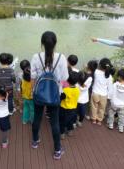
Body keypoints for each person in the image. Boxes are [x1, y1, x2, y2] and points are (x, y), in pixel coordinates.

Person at [31, 31, 68, 160]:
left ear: (42, 43)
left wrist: (32, 91)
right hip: (54, 94)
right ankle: (57, 150)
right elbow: (64, 78)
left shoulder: (36, 57)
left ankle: (35, 141)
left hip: (39, 93)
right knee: (55, 122)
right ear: (55, 43)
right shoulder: (61, 58)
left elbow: (33, 77)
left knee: (37, 118)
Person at [107, 69, 124, 133]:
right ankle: (121, 127)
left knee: (111, 114)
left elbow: (110, 94)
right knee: (122, 116)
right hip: (123, 105)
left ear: (119, 77)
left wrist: (109, 98)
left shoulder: (115, 85)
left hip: (114, 104)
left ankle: (110, 124)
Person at [91, 58, 115, 125]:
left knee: (94, 107)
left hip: (95, 92)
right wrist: (109, 97)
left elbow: (93, 64)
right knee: (102, 108)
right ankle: (99, 120)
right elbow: (110, 88)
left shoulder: (96, 72)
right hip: (104, 95)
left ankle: (94, 119)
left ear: (100, 65)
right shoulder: (110, 76)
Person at [59, 71, 80, 139]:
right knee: (70, 120)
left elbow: (60, 98)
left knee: (62, 122)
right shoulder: (77, 90)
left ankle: (62, 133)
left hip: (64, 109)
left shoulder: (65, 90)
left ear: (67, 80)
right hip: (73, 109)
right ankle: (70, 131)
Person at [20, 60, 34, 124]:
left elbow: (21, 88)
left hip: (24, 97)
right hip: (31, 98)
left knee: (25, 108)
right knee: (32, 109)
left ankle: (24, 120)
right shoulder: (32, 81)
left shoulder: (23, 79)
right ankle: (32, 120)